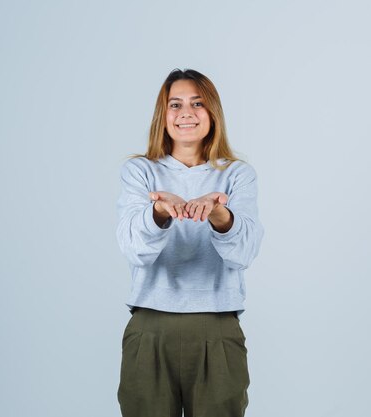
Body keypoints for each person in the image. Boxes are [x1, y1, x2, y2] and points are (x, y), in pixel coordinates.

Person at [115, 68, 265, 417]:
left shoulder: (237, 174)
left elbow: (244, 252)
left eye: (198, 103)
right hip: (150, 327)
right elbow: (133, 248)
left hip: (217, 327)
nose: (186, 113)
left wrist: (218, 214)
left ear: (213, 112)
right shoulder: (141, 172)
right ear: (162, 115)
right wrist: (160, 212)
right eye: (175, 104)